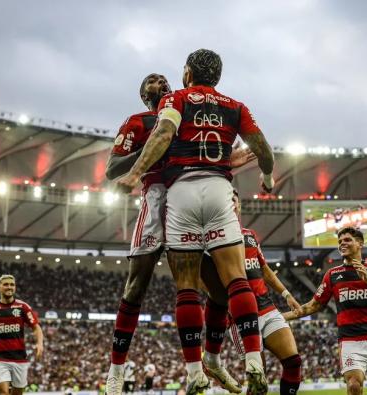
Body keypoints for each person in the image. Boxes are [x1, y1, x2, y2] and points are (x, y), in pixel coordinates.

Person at [116, 49, 275, 395]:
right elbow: (264, 148)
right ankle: (254, 362)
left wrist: (135, 174)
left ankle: (195, 372)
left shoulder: (176, 100)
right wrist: (268, 175)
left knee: (187, 286)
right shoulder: (236, 106)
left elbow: (163, 137)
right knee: (236, 280)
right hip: (219, 190)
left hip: (181, 193)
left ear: (186, 72)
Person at [283, 227, 367, 395]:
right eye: (340, 241)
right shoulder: (333, 274)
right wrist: (278, 317)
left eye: (347, 240)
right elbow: (312, 306)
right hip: (351, 342)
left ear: (360, 244)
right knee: (354, 386)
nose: (342, 243)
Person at [201, 192, 303, 395]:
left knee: (294, 363)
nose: (230, 203)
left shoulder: (249, 235)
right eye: (225, 199)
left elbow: (264, 269)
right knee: (258, 379)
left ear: (239, 205)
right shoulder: (211, 237)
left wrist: (286, 294)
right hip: (240, 317)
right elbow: (205, 280)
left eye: (233, 200)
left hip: (267, 308)